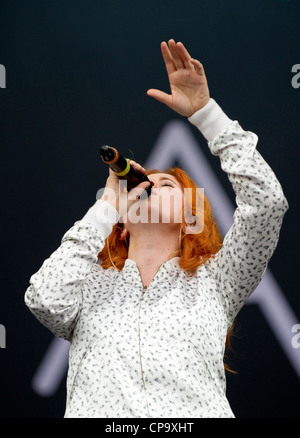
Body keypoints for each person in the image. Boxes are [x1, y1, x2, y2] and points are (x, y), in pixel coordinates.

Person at [25, 40, 288, 418]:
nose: (148, 185)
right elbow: (43, 300)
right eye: (141, 184)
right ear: (122, 227)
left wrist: (207, 115)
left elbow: (267, 204)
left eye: (166, 185)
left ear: (190, 218)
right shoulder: (90, 286)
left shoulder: (217, 281)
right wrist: (105, 210)